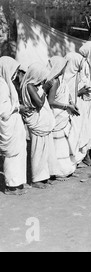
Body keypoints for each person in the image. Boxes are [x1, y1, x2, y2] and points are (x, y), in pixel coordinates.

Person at [21, 62, 57, 189]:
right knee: (38, 150)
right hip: (37, 122)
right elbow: (39, 104)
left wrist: (43, 88)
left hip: (43, 122)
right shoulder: (29, 86)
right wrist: (45, 89)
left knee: (45, 150)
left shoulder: (36, 86)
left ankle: (44, 175)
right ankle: (36, 179)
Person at [46, 56, 80, 181]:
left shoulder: (61, 80)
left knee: (66, 144)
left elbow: (67, 93)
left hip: (64, 114)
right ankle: (59, 172)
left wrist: (71, 102)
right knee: (58, 145)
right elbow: (51, 101)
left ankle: (68, 169)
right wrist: (67, 106)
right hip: (57, 115)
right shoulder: (54, 82)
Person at [0, 57, 29, 195]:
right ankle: (10, 186)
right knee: (12, 155)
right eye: (14, 70)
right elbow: (2, 110)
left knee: (20, 152)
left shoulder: (8, 83)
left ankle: (18, 182)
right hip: (8, 123)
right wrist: (18, 108)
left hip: (15, 122)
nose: (16, 74)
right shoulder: (1, 85)